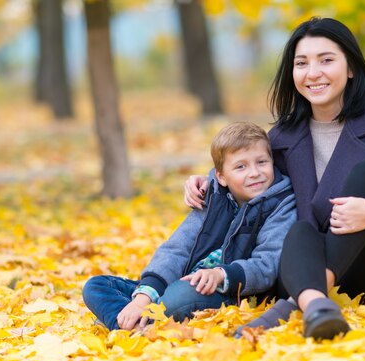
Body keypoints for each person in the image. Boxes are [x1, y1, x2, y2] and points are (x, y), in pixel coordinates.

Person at [184, 17, 365, 341]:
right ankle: (316, 303)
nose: (313, 73)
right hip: (303, 266)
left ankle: (297, 305)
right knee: (299, 230)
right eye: (302, 63)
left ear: (350, 67)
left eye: (326, 60)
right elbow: (254, 177)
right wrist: (211, 181)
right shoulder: (282, 137)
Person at [83, 122, 297, 331]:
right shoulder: (212, 197)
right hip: (177, 282)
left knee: (180, 295)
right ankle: (135, 325)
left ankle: (125, 324)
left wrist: (220, 275)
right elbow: (178, 248)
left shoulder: (281, 204)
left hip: (225, 292)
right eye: (241, 166)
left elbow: (267, 263)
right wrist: (143, 298)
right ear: (221, 177)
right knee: (96, 286)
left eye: (261, 162)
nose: (254, 173)